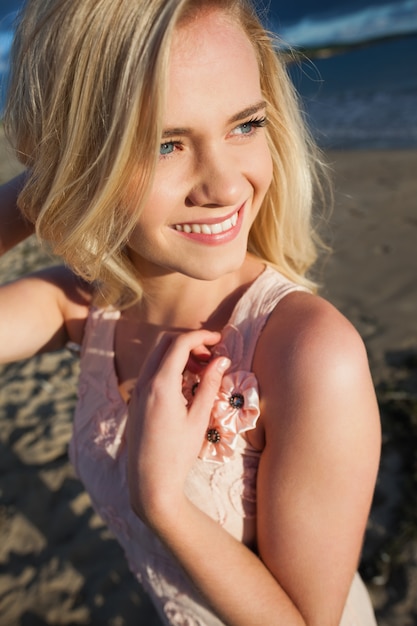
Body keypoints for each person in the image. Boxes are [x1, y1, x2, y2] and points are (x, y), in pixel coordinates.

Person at [0, 0, 381, 624]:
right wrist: (45, 183)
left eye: (245, 125)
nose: (226, 186)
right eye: (165, 143)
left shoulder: (309, 356)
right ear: (82, 160)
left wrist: (161, 501)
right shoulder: (86, 308)